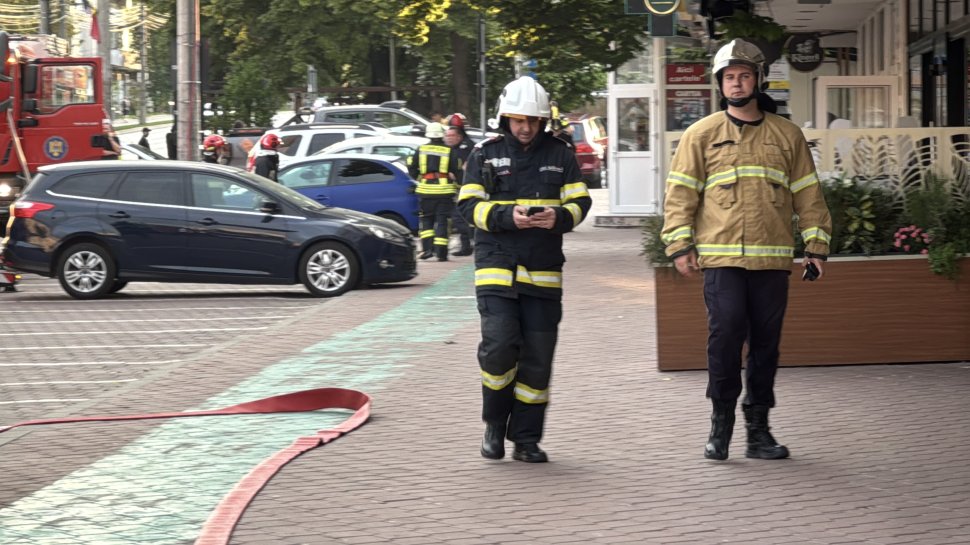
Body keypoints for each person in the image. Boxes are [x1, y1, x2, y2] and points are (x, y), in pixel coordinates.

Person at [660, 39, 833, 462]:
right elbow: (680, 194)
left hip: (771, 261)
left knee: (766, 345)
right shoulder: (700, 135)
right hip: (721, 259)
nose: (737, 84)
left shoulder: (787, 136)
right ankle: (721, 425)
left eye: (744, 76)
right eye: (729, 77)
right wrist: (680, 244)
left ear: (758, 80)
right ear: (721, 84)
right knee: (725, 337)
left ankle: (759, 429)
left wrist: (816, 247)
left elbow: (808, 196)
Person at [458, 76, 592, 463]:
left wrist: (559, 217)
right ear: (505, 118)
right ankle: (494, 425)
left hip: (544, 272)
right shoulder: (484, 153)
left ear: (543, 120)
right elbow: (468, 206)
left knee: (537, 357)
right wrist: (506, 216)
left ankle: (527, 439)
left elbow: (581, 202)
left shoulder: (561, 154)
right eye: (518, 119)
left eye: (533, 120)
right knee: (499, 350)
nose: (526, 127)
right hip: (497, 270)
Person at [408, 122, 461, 261]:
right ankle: (441, 254)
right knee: (442, 221)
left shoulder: (421, 149)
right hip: (444, 192)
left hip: (425, 191)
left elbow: (412, 168)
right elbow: (457, 170)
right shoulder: (449, 151)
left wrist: (421, 178)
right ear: (441, 134)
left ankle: (426, 250)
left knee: (426, 221)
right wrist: (460, 185)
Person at [445, 114, 475, 256]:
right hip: (460, 188)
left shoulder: (465, 148)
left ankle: (467, 246)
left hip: (465, 188)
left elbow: (465, 168)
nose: (449, 138)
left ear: (459, 134)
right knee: (463, 218)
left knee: (460, 217)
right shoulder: (462, 146)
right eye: (447, 135)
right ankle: (467, 245)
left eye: (452, 135)